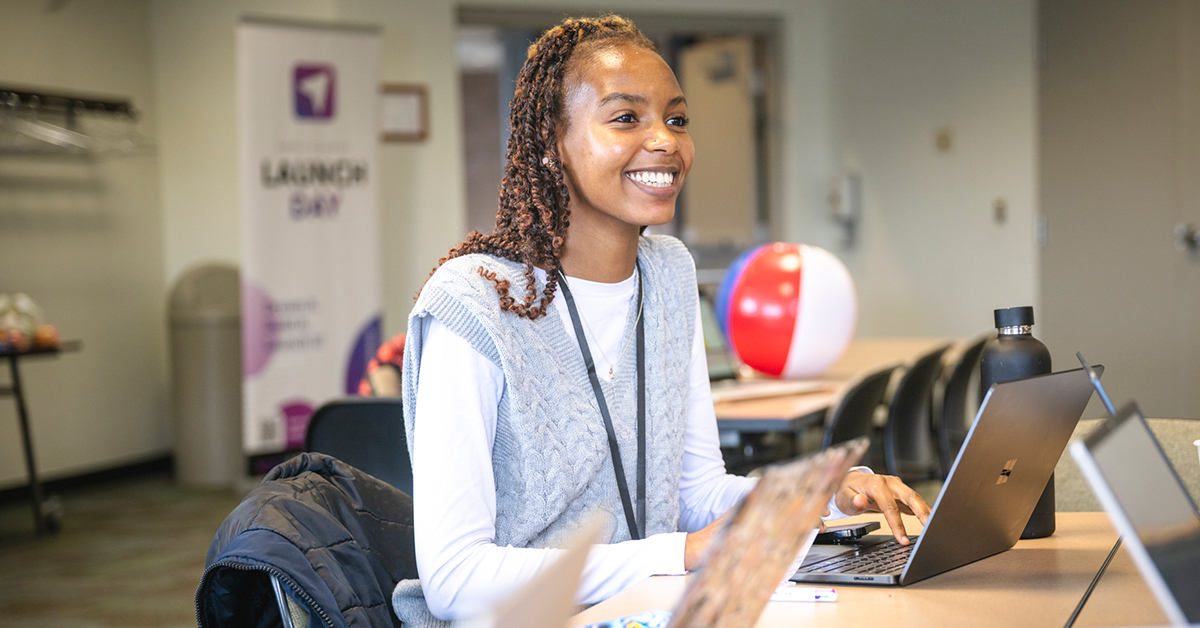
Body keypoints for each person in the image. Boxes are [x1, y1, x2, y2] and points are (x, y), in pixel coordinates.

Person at [392, 15, 931, 626]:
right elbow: (454, 581)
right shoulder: (473, 303)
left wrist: (825, 497)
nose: (666, 141)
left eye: (676, 119)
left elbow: (697, 494)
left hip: (647, 611)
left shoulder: (668, 276)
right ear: (551, 141)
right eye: (626, 118)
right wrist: (678, 554)